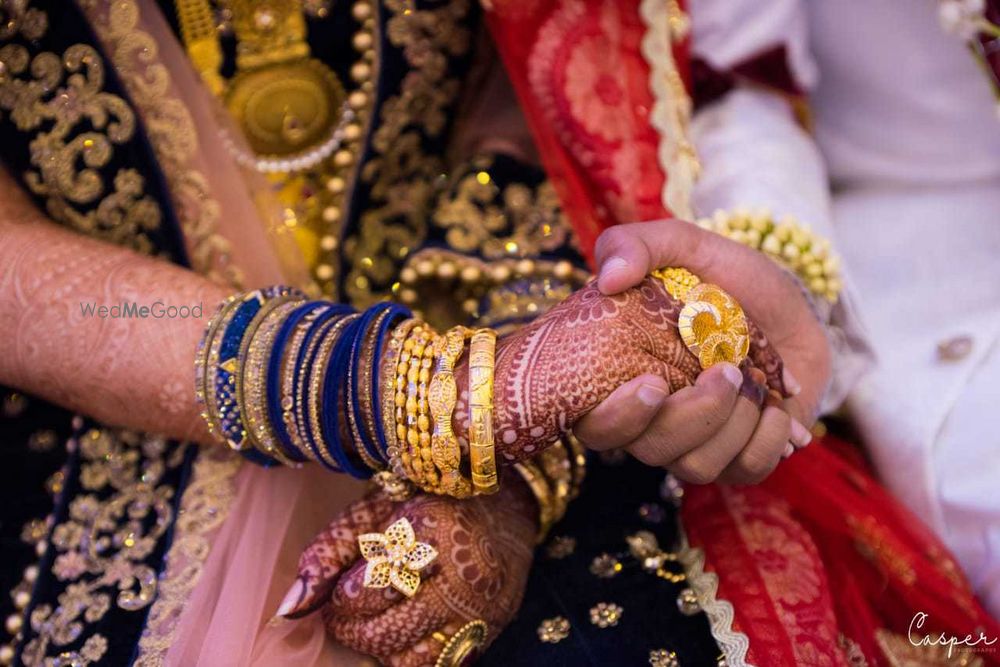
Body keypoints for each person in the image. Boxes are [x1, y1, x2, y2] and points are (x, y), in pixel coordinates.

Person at [0, 2, 994, 667]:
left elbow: (560, 85)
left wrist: (518, 468)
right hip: (92, 411)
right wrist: (456, 397)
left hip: (537, 309)